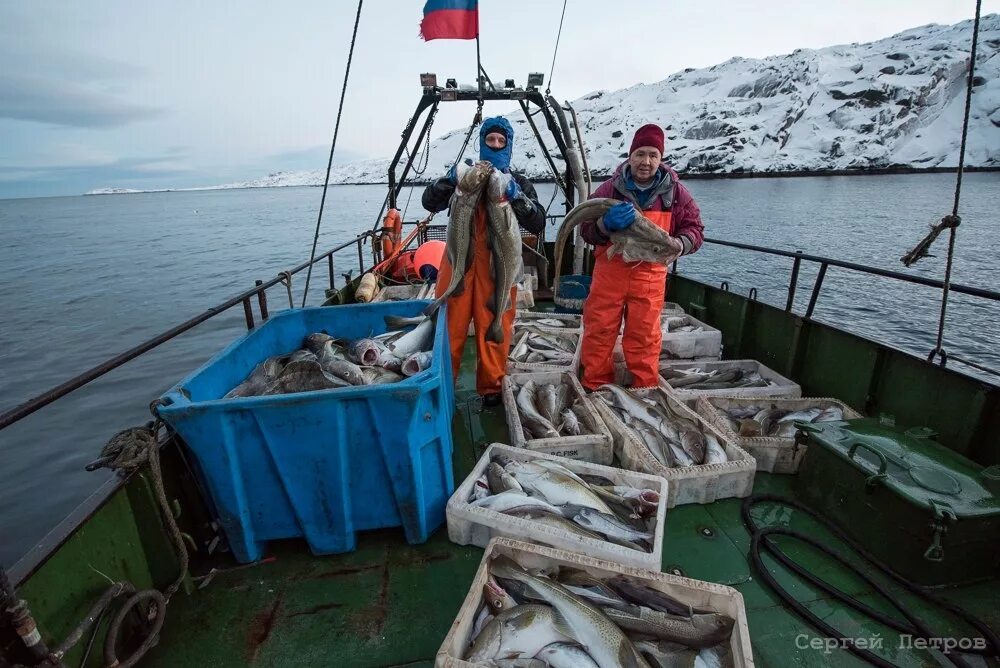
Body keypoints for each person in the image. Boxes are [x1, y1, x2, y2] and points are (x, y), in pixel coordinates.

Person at [422, 117, 546, 405]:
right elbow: (430, 202)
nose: (495, 145)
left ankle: (491, 389)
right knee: (449, 326)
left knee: (496, 324)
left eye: (501, 142)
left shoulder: (519, 183)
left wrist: (517, 197)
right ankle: (444, 387)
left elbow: (538, 221)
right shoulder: (466, 177)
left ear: (509, 147)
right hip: (458, 261)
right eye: (490, 140)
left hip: (498, 264)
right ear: (481, 144)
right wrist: (450, 180)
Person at [579, 123, 704, 390]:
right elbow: (585, 230)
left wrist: (679, 244)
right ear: (630, 156)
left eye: (652, 155)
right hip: (609, 275)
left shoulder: (676, 193)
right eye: (640, 154)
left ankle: (645, 390)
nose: (646, 162)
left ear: (660, 159)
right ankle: (594, 385)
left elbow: (695, 230)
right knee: (599, 331)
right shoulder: (608, 190)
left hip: (650, 277)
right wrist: (605, 225)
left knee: (644, 336)